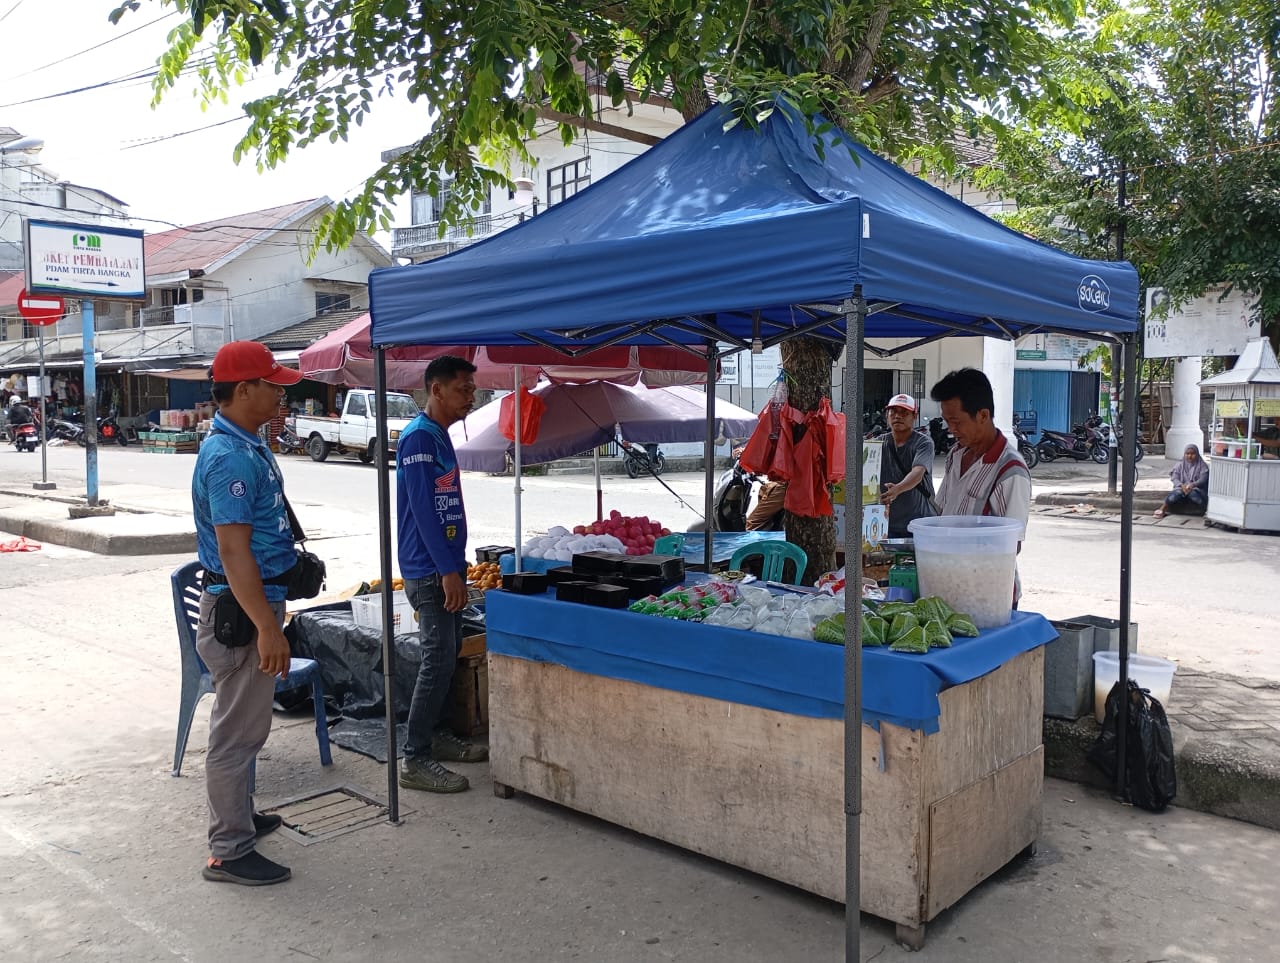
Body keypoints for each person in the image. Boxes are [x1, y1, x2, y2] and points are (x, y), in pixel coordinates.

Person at [191, 341, 304, 886]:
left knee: (248, 728)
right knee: (235, 735)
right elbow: (234, 552)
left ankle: (240, 816)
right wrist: (267, 627)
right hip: (241, 612)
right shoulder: (231, 456)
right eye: (272, 384)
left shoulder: (247, 444)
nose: (281, 393)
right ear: (244, 390)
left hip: (252, 604)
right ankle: (229, 850)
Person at [397, 355, 488, 793]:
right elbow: (423, 512)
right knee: (435, 662)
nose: (471, 397)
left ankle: (437, 737)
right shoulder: (418, 439)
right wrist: (446, 571)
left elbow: (446, 506)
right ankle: (414, 758)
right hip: (428, 571)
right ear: (436, 390)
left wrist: (459, 564)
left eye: (472, 389)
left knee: (448, 657)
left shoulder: (438, 436)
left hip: (447, 567)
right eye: (463, 389)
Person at [930, 368, 1032, 599]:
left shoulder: (1010, 470)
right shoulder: (956, 454)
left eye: (956, 422)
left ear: (983, 415)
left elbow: (1011, 545)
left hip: (988, 593)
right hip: (947, 582)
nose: (951, 430)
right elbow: (941, 513)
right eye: (947, 422)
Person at [873, 393, 937, 538]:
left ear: (914, 416)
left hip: (919, 525)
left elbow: (918, 472)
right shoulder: (877, 443)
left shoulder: (923, 443)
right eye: (893, 411)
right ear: (887, 416)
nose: (897, 416)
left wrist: (897, 489)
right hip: (887, 526)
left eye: (904, 412)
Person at [1154, 445, 1209, 517]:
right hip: (1181, 488)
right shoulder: (1179, 465)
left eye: (1193, 454)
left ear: (1197, 454)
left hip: (1198, 490)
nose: (1190, 456)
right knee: (1176, 493)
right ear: (1184, 454)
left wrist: (1192, 485)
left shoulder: (1202, 465)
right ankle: (1163, 509)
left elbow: (1203, 479)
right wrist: (1181, 485)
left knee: (1193, 494)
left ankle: (1206, 511)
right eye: (1187, 454)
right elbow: (1174, 478)